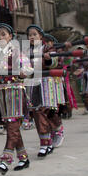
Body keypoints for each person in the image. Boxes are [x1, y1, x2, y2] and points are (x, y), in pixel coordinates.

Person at [0, 23, 32, 175]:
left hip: (15, 90)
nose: (0, 37)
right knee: (10, 124)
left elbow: (28, 68)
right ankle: (23, 157)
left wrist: (23, 72)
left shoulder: (16, 51)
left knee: (13, 124)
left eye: (3, 34)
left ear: (10, 37)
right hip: (1, 92)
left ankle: (5, 159)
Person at [26, 25, 63, 157]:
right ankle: (44, 143)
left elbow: (54, 63)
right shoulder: (26, 52)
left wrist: (49, 59)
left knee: (50, 112)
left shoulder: (48, 48)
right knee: (37, 111)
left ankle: (58, 129)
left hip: (48, 82)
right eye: (29, 35)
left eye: (34, 34)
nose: (32, 37)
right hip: (33, 83)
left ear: (41, 36)